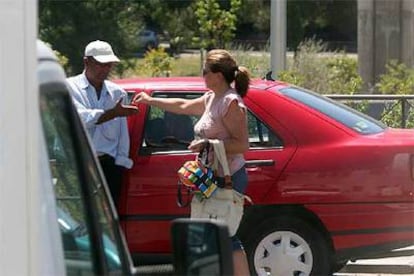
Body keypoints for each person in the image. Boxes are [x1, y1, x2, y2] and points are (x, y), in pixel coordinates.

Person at [133, 49, 251, 275]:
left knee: (225, 234)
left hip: (229, 177)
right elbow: (183, 106)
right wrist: (150, 101)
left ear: (217, 75)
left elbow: (243, 144)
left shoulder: (230, 102)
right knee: (210, 232)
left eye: (205, 71)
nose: (202, 75)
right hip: (209, 177)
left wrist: (207, 144)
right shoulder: (211, 98)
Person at [66, 40, 138, 208]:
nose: (105, 69)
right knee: (83, 218)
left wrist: (120, 163)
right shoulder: (69, 87)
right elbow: (81, 119)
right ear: (86, 62)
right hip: (79, 165)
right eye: (100, 64)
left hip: (109, 165)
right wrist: (113, 113)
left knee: (109, 220)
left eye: (108, 65)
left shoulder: (117, 92)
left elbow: (122, 134)